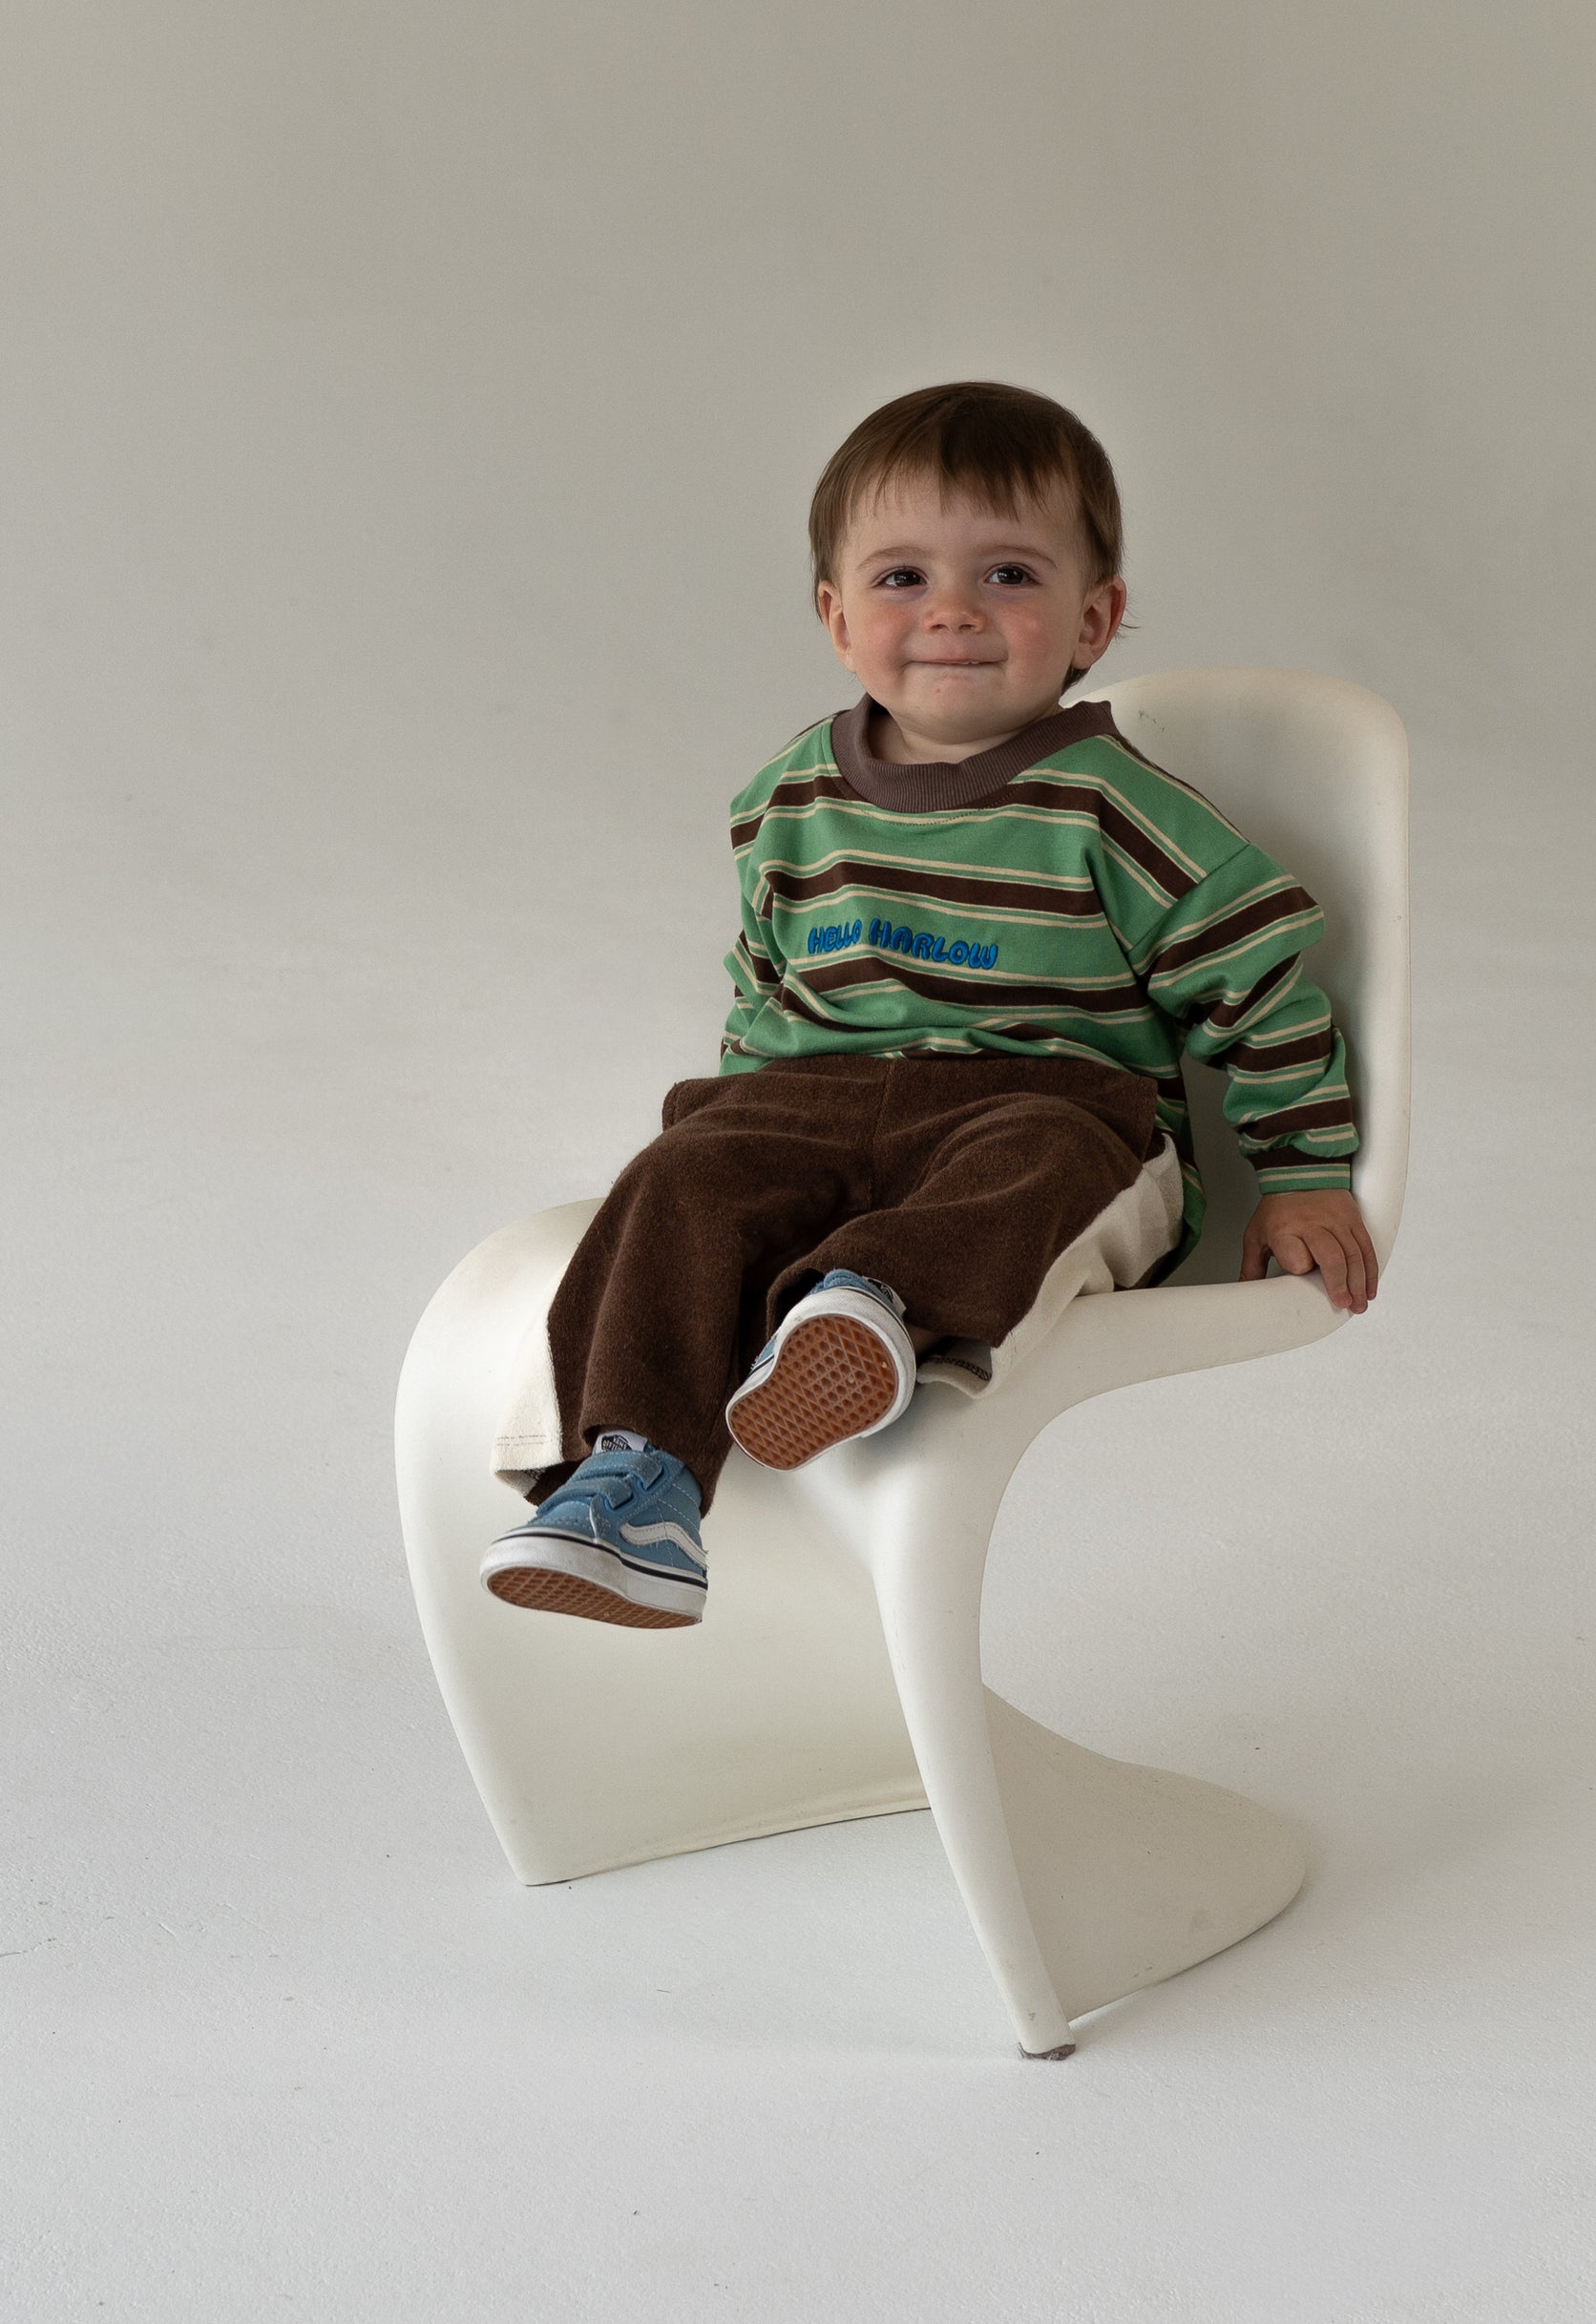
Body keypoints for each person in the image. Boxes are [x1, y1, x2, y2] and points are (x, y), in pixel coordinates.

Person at [478, 381, 1377, 1633]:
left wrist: (1302, 1171)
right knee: (679, 1176)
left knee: (1037, 1150)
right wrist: (731, 1130)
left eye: (1008, 574)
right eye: (901, 579)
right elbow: (766, 983)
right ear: (837, 620)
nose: (951, 610)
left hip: (1059, 1108)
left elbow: (1259, 989)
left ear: (1092, 619)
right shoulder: (785, 800)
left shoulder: (1117, 815)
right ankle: (632, 1480)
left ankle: (870, 1308)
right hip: (817, 1103)